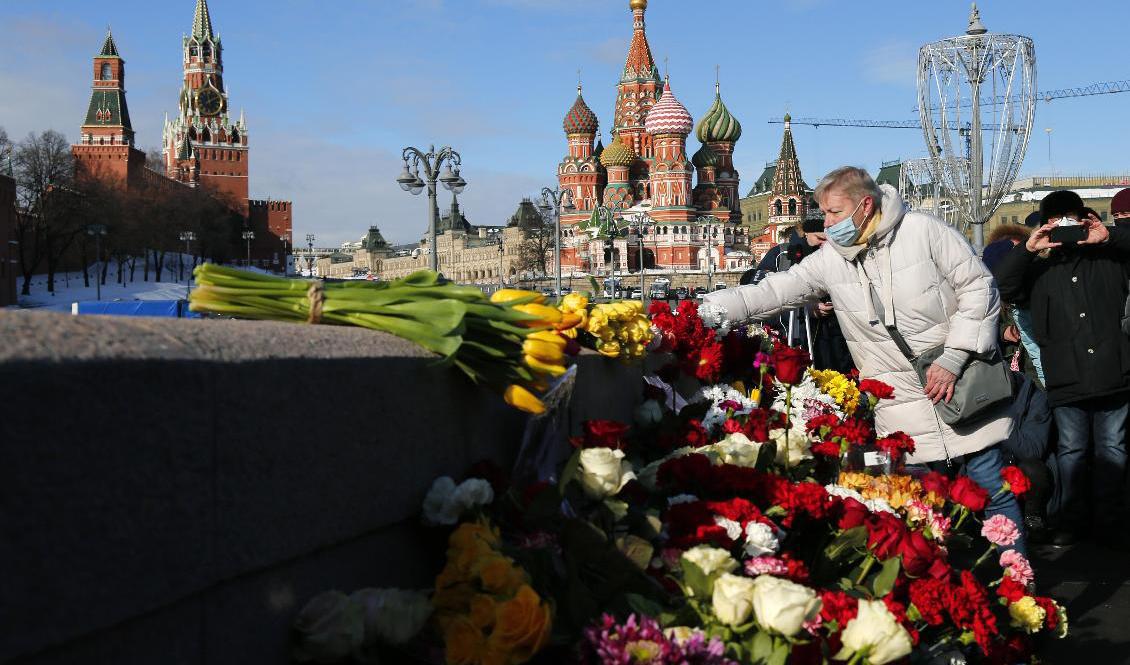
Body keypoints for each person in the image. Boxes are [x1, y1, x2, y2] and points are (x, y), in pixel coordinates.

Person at [704, 166, 1025, 552]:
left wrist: (954, 356)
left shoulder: (924, 232)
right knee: (914, 506)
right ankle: (937, 596)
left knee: (990, 486)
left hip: (960, 383)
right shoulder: (832, 258)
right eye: (823, 213)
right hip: (901, 401)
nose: (827, 223)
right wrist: (706, 312)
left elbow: (979, 289)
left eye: (834, 213)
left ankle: (1019, 587)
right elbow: (776, 290)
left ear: (865, 205)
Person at [993, 190, 1130, 548]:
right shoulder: (1040, 268)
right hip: (1066, 375)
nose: (1066, 229)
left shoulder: (1109, 257)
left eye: (1072, 220)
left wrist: (1107, 235)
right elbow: (1001, 285)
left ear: (1084, 218)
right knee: (1071, 449)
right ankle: (1071, 519)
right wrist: (1028, 248)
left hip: (1113, 371)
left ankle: (1110, 522)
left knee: (1113, 448)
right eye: (1058, 222)